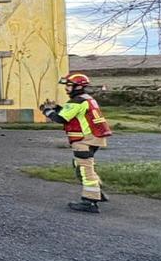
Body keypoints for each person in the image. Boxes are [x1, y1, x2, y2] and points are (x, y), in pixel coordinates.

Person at [40, 72, 113, 213]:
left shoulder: (76, 101)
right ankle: (98, 193)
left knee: (84, 168)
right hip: (95, 137)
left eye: (69, 86)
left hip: (83, 139)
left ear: (78, 86)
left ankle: (90, 201)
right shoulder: (86, 99)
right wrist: (57, 108)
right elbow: (72, 115)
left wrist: (46, 111)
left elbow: (61, 119)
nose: (66, 89)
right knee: (83, 165)